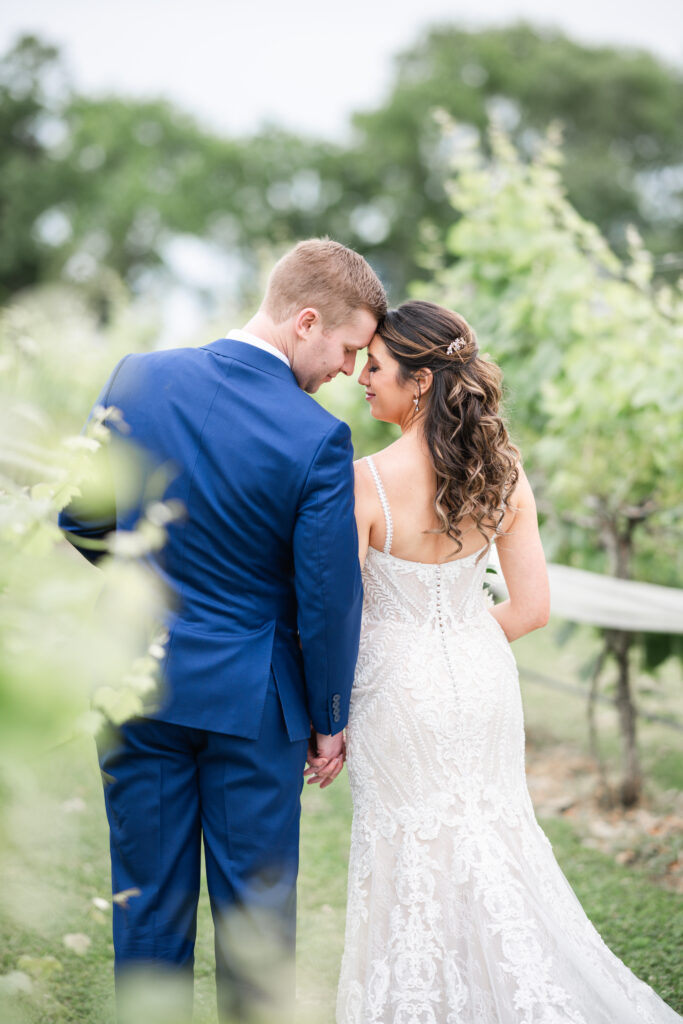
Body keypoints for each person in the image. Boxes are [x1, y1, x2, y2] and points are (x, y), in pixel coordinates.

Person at [58, 238, 386, 1022]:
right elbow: (325, 598)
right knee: (255, 922)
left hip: (135, 684)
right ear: (305, 321)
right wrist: (330, 717)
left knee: (146, 904)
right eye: (346, 348)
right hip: (253, 704)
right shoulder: (315, 439)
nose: (347, 369)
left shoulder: (139, 376)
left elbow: (79, 517)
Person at [332, 300, 682, 1023]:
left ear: (420, 380)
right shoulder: (503, 475)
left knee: (408, 855)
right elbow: (530, 610)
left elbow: (335, 620)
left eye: (375, 366)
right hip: (483, 676)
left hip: (394, 690)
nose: (362, 378)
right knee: (493, 836)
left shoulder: (363, 481)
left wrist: (337, 705)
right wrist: (457, 636)